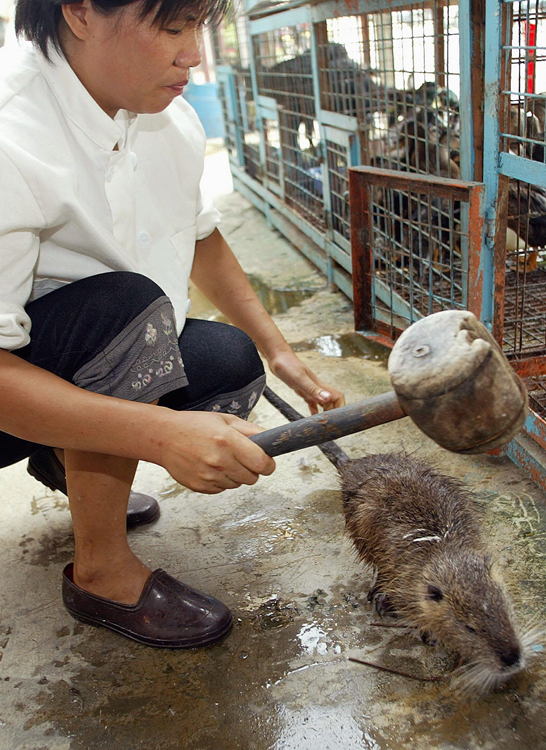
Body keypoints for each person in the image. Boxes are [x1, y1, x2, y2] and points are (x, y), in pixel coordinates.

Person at [0, 0, 344, 649]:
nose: (193, 53)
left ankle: (68, 457)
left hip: (60, 354)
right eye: (171, 26)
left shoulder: (166, 117)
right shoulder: (11, 132)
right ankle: (101, 570)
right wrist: (159, 435)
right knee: (129, 311)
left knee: (230, 361)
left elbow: (203, 238)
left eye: (198, 28)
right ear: (78, 10)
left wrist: (281, 351)